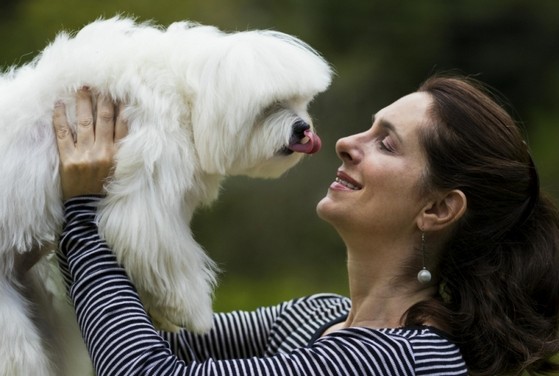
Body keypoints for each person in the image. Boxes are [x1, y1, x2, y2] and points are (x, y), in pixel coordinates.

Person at [51, 75, 559, 376]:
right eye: (370, 127)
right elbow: (131, 343)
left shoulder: (407, 359)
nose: (345, 143)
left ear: (439, 210)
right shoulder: (316, 317)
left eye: (386, 143)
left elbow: (144, 371)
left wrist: (82, 212)